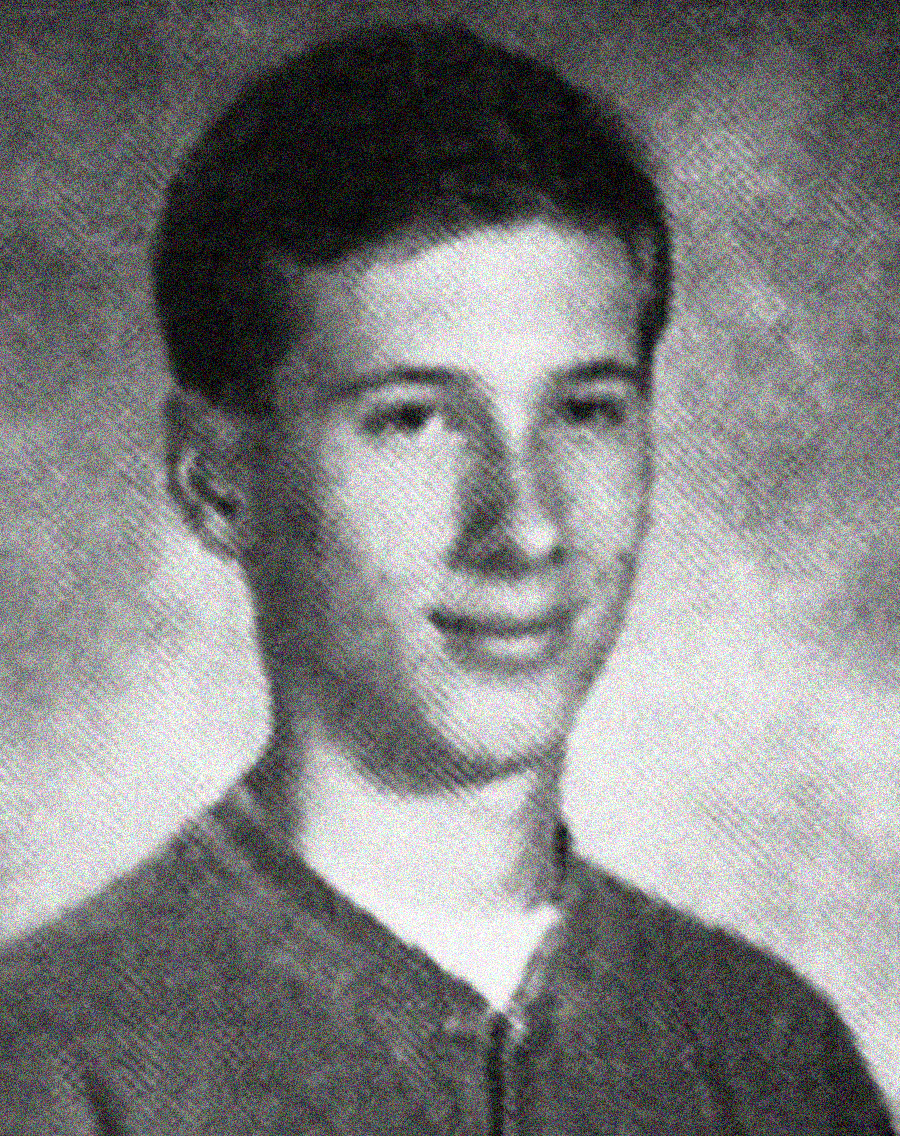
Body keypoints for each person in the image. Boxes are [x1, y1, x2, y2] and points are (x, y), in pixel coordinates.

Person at [0, 21, 894, 1135]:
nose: (523, 525)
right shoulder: (55, 1062)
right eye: (414, 419)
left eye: (585, 411)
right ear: (217, 480)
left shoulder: (774, 1059)